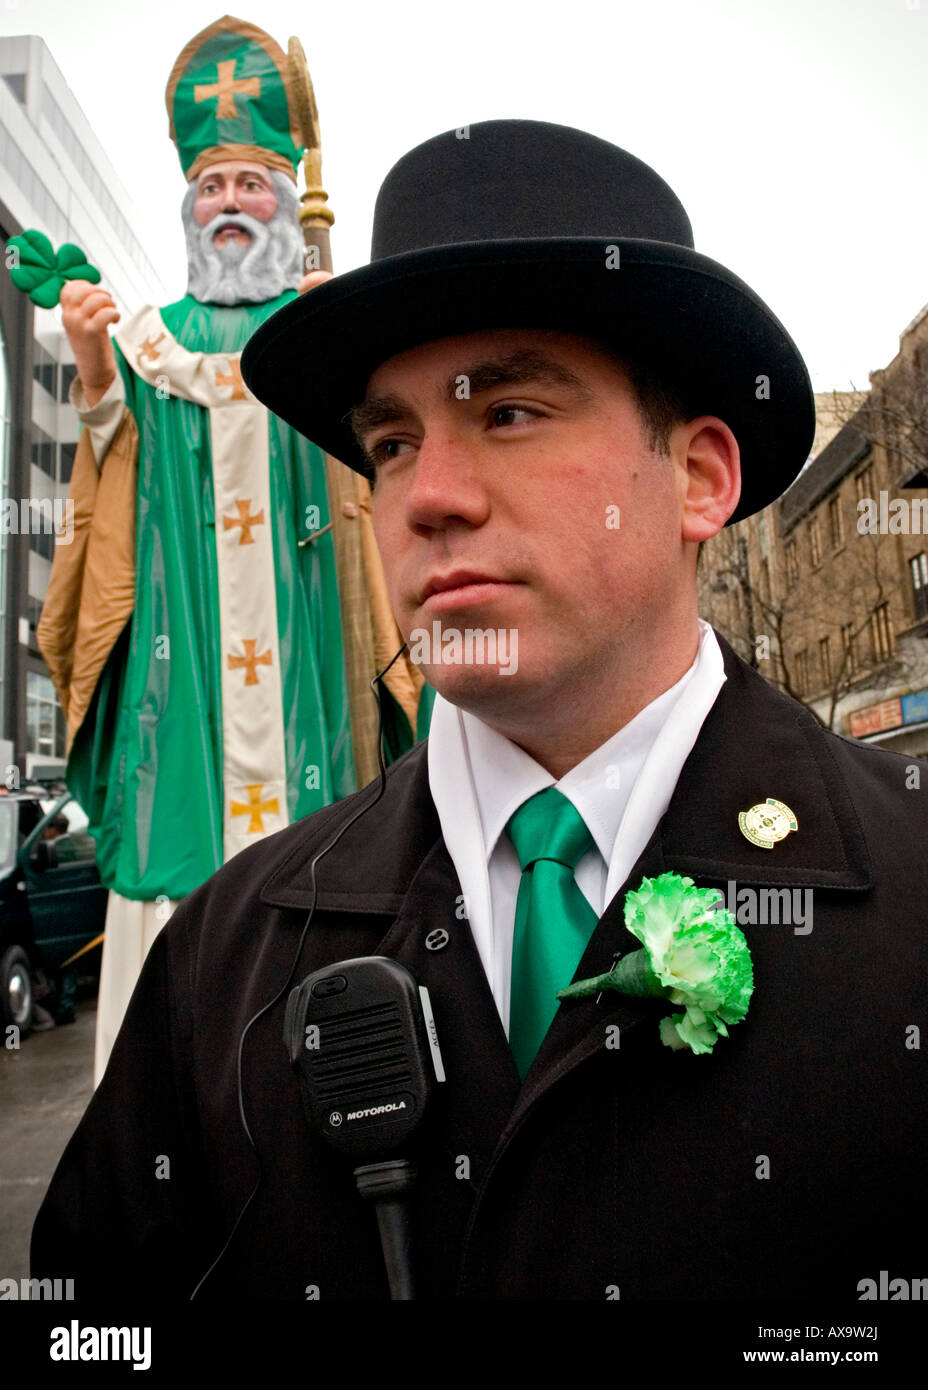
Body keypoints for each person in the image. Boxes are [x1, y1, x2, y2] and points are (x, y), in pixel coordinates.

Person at [32, 119, 927, 1301]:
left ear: (699, 479)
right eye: (391, 442)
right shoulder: (225, 954)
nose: (426, 497)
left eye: (508, 412)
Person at [36, 16, 427, 1086]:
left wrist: (353, 350)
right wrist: (94, 376)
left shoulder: (323, 322)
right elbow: (115, 487)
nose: (231, 207)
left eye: (253, 184)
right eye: (211, 188)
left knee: (338, 856)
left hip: (311, 657)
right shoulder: (149, 343)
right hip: (186, 676)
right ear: (187, 208)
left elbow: (389, 460)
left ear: (286, 197)